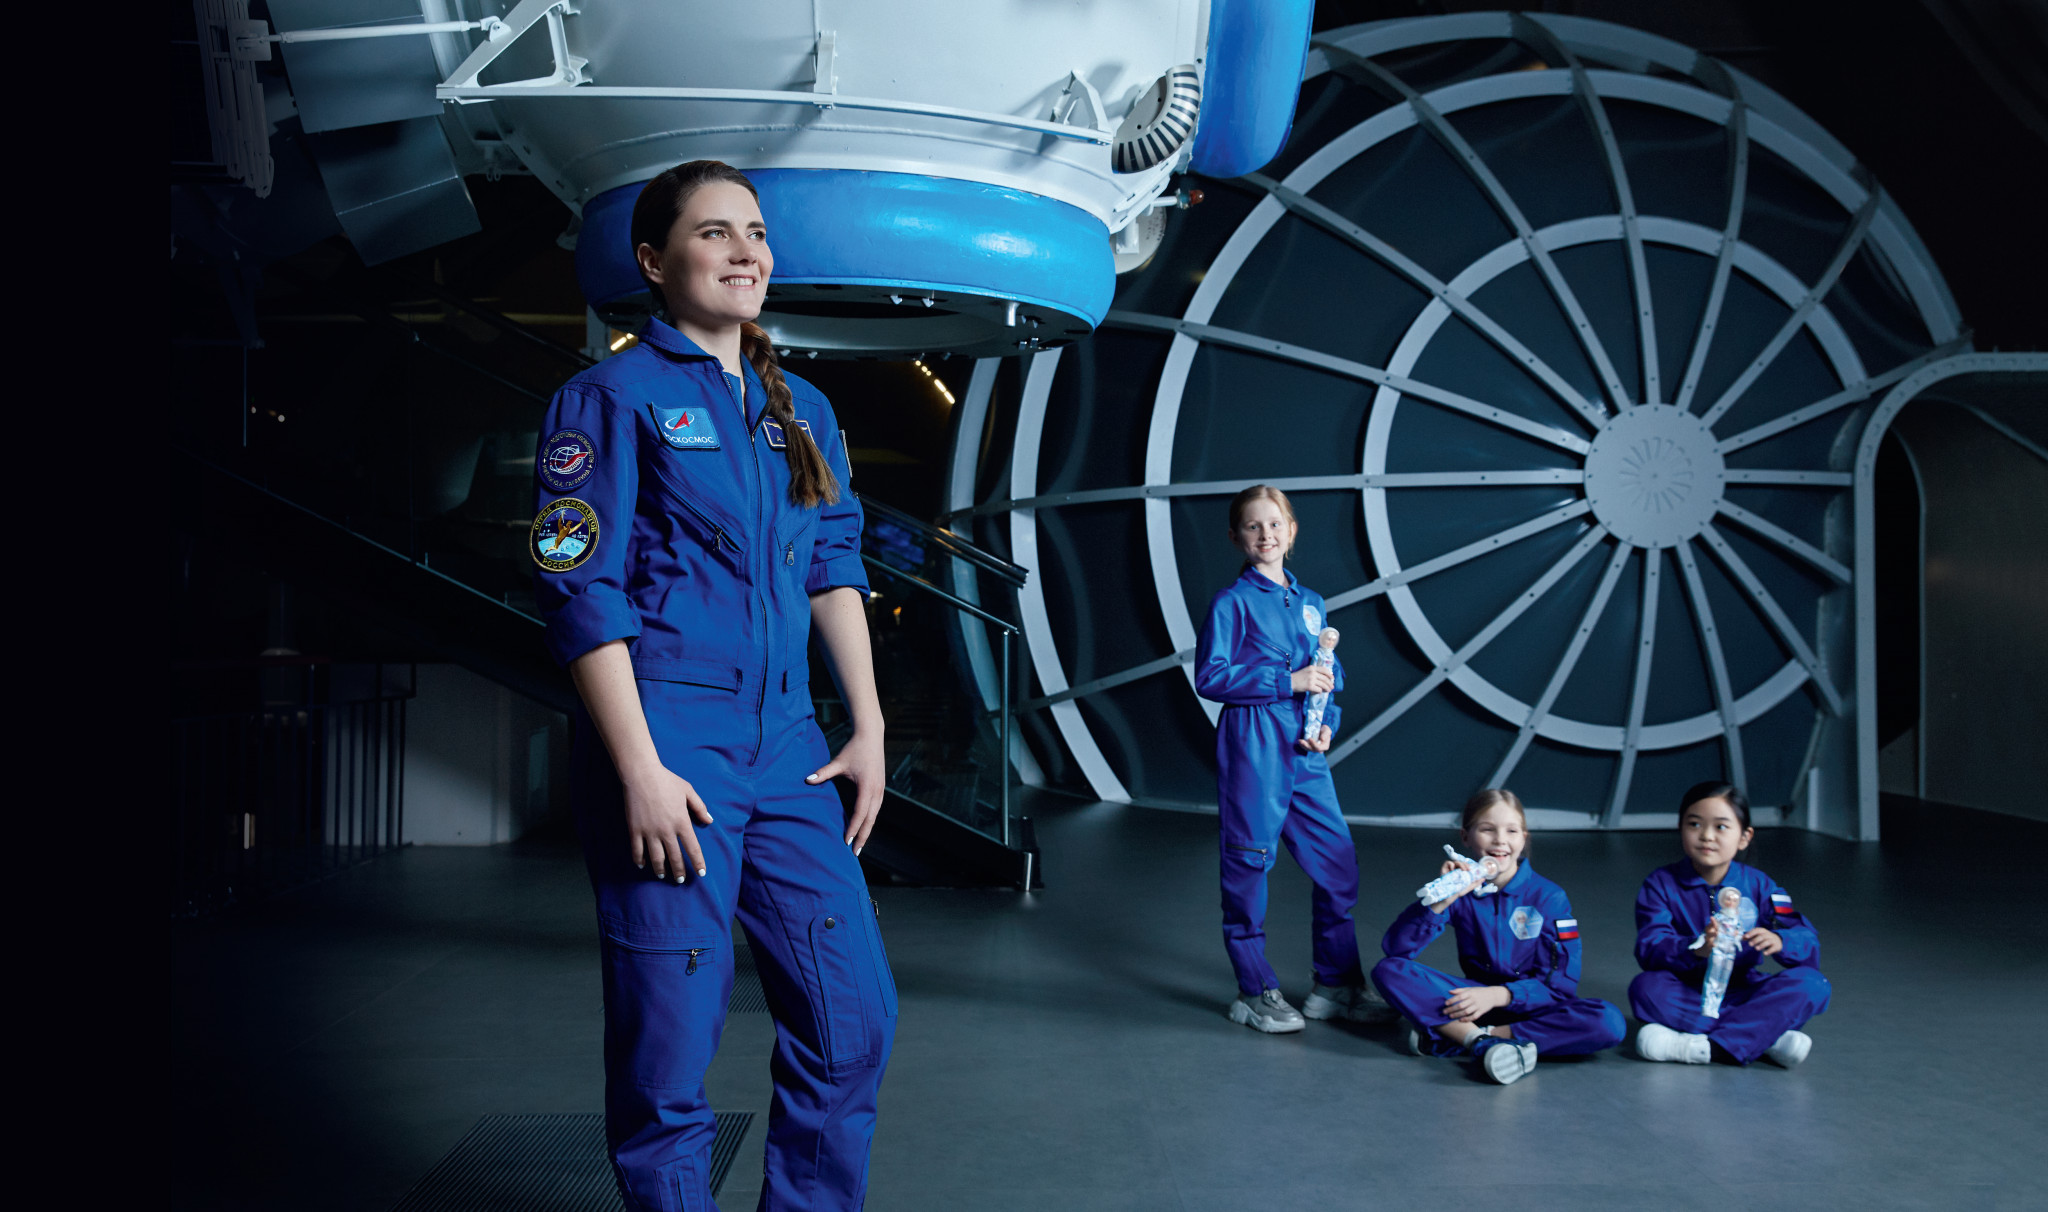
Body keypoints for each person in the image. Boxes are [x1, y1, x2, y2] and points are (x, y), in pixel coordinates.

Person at [532, 159, 895, 1210]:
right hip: (669, 742)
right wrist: (638, 770)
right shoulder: (606, 398)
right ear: (654, 262)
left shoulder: (801, 410)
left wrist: (867, 726)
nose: (746, 251)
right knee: (669, 1050)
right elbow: (581, 593)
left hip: (788, 747)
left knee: (852, 1021)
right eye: (714, 232)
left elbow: (834, 565)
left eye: (756, 232)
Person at [1194, 485, 1393, 1033]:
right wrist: (1288, 681)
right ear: (1236, 537)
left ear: (1291, 531)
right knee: (1249, 861)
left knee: (1337, 863)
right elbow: (1210, 677)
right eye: (1253, 526)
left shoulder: (1311, 603)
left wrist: (1327, 726)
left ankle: (1336, 985)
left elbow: (1328, 677)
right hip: (1254, 741)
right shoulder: (1231, 603)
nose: (1266, 535)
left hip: (1304, 748)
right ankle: (1253, 989)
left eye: (1275, 524)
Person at [1372, 789, 1627, 1085]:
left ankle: (1469, 1039)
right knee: (1387, 970)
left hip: (1533, 1006)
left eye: (1511, 831)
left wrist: (1499, 995)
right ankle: (1483, 1042)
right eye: (1487, 829)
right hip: (1473, 1003)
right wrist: (1441, 901)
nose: (1500, 840)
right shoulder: (1461, 890)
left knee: (1607, 1021)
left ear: (1524, 839)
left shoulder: (1549, 897)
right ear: (1466, 837)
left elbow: (1560, 986)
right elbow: (1396, 949)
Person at [1630, 781, 1829, 1068]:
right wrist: (1695, 948)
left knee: (1813, 985)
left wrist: (1781, 941)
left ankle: (1702, 1048)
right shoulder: (1660, 884)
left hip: (1745, 988)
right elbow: (1649, 948)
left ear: (1744, 837)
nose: (1706, 836)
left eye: (1721, 827)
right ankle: (1764, 1037)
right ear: (1680, 828)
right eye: (1694, 824)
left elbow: (1807, 943)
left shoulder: (1761, 886)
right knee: (1646, 989)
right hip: (1687, 989)